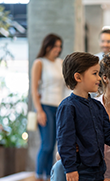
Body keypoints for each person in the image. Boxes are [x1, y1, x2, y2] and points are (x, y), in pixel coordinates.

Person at [51, 47, 110, 181]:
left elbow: (109, 135)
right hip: (77, 171)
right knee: (60, 167)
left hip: (100, 174)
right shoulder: (70, 106)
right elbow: (63, 145)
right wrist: (70, 163)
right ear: (105, 77)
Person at [31, 33, 67, 181]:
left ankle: (49, 176)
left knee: (54, 147)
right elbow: (33, 89)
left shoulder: (61, 62)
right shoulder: (39, 63)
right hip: (45, 106)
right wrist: (39, 110)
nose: (57, 49)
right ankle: (39, 176)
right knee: (46, 145)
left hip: (59, 107)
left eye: (59, 47)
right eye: (55, 46)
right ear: (47, 46)